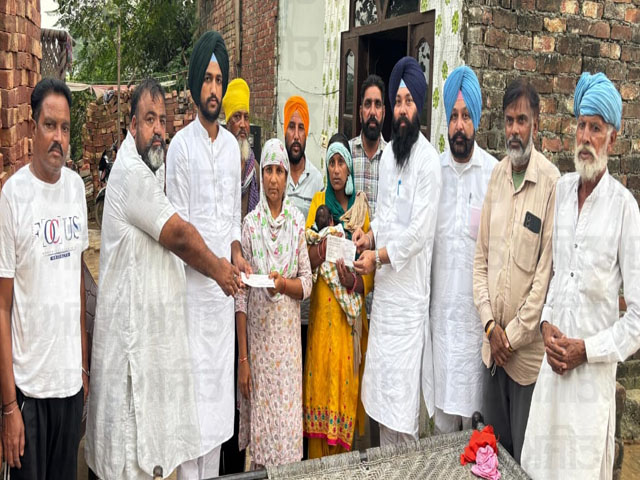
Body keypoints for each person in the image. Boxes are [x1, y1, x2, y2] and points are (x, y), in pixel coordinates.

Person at [85, 77, 244, 480]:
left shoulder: (152, 169)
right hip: (127, 358)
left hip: (144, 352)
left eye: (162, 120)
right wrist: (221, 270)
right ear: (132, 125)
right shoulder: (131, 173)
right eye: (149, 119)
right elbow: (179, 235)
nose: (158, 129)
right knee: (125, 461)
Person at [521, 73, 640, 480]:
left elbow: (637, 321)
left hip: (590, 383)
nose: (586, 137)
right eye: (582, 125)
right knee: (538, 468)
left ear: (613, 138)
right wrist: (545, 324)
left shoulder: (625, 209)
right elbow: (557, 276)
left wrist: (585, 351)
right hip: (552, 372)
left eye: (596, 128)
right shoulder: (563, 190)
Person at [165, 31, 251, 480]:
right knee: (191, 419)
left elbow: (232, 220)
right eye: (208, 79)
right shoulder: (180, 147)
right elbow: (179, 237)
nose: (214, 89)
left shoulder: (233, 151)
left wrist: (235, 254)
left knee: (217, 419)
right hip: (191, 305)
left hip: (221, 306)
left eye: (220, 80)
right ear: (196, 82)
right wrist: (217, 268)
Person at [0, 78, 88, 480]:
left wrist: (83, 369)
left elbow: (76, 284)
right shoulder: (13, 197)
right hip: (28, 394)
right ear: (31, 127)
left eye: (65, 128)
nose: (58, 138)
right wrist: (8, 407)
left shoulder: (76, 190)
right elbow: (2, 307)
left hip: (69, 388)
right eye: (50, 125)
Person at [353, 56, 442, 445]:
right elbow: (386, 218)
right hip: (385, 305)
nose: (402, 110)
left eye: (409, 101)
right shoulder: (389, 157)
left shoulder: (429, 162)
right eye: (399, 101)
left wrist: (377, 257)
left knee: (403, 417)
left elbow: (418, 234)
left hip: (408, 310)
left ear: (418, 106)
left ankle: (405, 471)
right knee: (380, 408)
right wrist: (368, 238)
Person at [473, 78, 559, 463]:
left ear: (536, 124)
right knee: (491, 458)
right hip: (492, 353)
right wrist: (491, 327)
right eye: (509, 120)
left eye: (521, 120)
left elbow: (545, 280)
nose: (514, 130)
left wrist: (509, 338)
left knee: (523, 461)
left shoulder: (552, 184)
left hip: (524, 362)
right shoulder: (497, 176)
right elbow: (480, 260)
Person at [235, 138, 312, 468]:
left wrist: (284, 285)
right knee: (263, 442)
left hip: (288, 354)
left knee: (286, 439)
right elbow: (241, 296)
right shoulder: (251, 226)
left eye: (279, 171)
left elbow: (307, 282)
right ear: (261, 175)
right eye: (268, 171)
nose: (274, 179)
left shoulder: (296, 222)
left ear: (285, 176)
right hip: (261, 353)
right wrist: (244, 359)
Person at [431, 66, 498, 434]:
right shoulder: (433, 173)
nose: (459, 125)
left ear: (477, 121)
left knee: (476, 435)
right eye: (454, 116)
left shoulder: (494, 175)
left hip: (476, 332)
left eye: (466, 116)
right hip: (440, 328)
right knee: (442, 434)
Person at [303, 134, 373, 457]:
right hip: (322, 320)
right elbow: (306, 257)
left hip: (349, 326)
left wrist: (353, 281)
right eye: (330, 162)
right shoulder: (318, 204)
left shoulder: (361, 211)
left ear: (349, 168)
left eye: (340, 162)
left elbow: (370, 271)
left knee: (345, 391)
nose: (335, 169)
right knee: (320, 387)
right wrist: (325, 246)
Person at [349, 74, 387, 219]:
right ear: (360, 113)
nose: (372, 112)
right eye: (367, 104)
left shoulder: (392, 158)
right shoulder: (346, 153)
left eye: (377, 104)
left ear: (383, 113)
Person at [223, 77, 260, 219]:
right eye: (237, 117)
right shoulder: (218, 163)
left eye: (246, 117)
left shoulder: (255, 169)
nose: (243, 124)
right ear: (228, 124)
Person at [284, 96, 324, 220]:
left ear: (306, 133)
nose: (296, 136)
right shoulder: (276, 174)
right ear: (285, 131)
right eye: (291, 127)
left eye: (301, 128)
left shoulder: (316, 179)